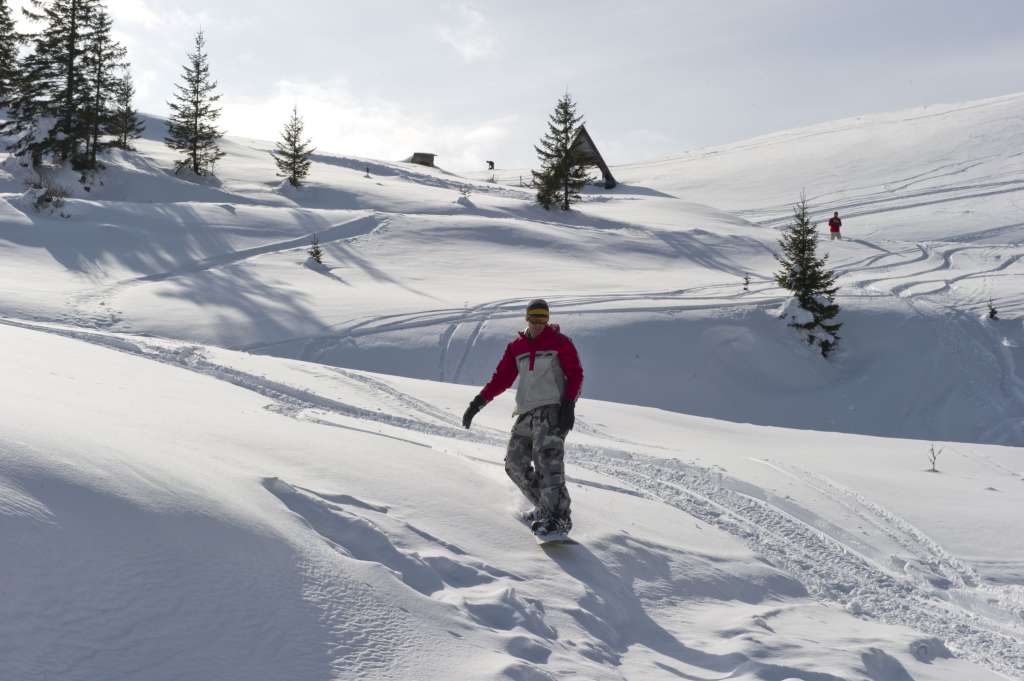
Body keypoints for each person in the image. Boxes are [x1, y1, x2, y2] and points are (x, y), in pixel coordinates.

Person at [462, 299, 583, 538]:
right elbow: (501, 378)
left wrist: (568, 405)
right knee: (514, 464)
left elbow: (576, 374)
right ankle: (545, 509)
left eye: (542, 320)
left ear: (548, 320)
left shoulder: (560, 343)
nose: (538, 324)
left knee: (547, 463)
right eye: (534, 319)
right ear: (526, 319)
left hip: (552, 410)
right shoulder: (516, 346)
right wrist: (477, 403)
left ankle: (559, 518)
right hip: (526, 412)